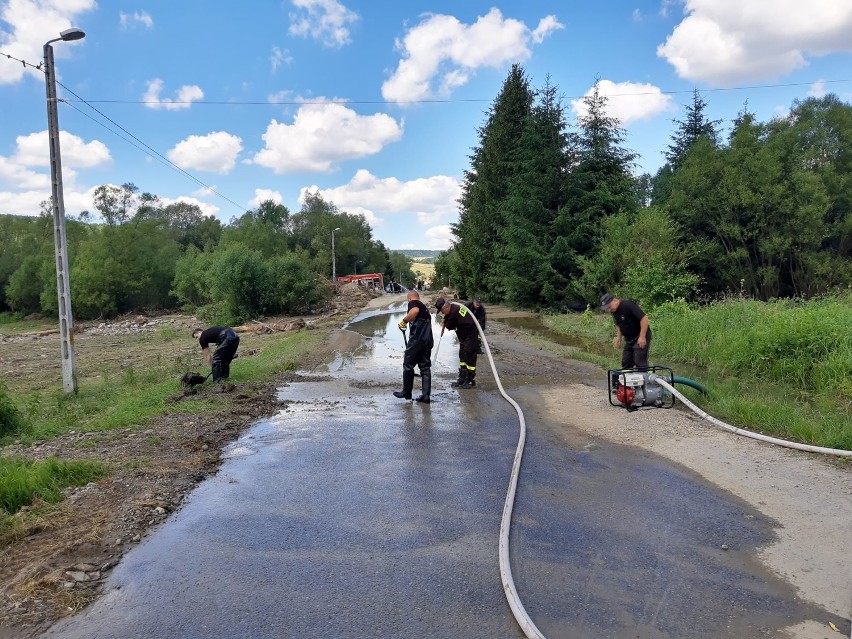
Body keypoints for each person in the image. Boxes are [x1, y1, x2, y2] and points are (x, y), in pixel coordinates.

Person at [393, 290, 434, 403]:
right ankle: (426, 396)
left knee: (408, 365)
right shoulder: (425, 308)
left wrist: (404, 321)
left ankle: (406, 392)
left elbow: (414, 310)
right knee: (425, 367)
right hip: (427, 341)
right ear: (418, 297)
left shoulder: (413, 303)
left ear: (409, 299)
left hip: (417, 341)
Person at [435, 297, 479, 389]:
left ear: (446, 307)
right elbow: (448, 318)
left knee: (469, 357)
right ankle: (462, 378)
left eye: (442, 311)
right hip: (464, 336)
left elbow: (450, 326)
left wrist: (445, 322)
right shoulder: (453, 308)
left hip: (470, 335)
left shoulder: (454, 312)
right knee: (462, 355)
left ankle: (470, 381)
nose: (442, 313)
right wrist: (445, 319)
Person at [600, 294, 651, 370]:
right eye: (607, 308)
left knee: (639, 361)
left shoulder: (627, 305)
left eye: (609, 306)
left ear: (614, 300)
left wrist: (642, 337)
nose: (609, 309)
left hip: (640, 336)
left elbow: (644, 318)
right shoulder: (614, 311)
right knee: (626, 362)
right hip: (629, 339)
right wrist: (618, 338)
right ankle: (627, 380)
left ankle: (646, 378)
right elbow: (619, 324)